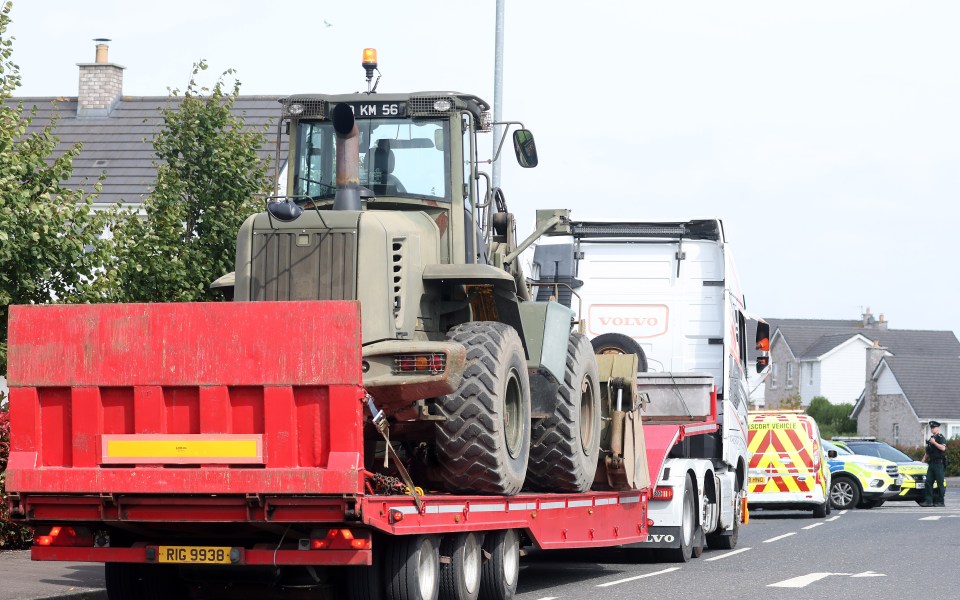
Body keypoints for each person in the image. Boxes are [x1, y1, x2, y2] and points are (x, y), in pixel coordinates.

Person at [921, 420, 947, 507]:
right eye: (931, 428)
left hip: (939, 464)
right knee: (928, 482)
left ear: (938, 428)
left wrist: (934, 443)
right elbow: (928, 451)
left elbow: (943, 448)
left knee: (940, 483)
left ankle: (941, 501)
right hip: (932, 463)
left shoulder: (940, 437)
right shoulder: (931, 438)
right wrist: (924, 459)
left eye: (934, 427)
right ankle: (929, 501)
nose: (932, 429)